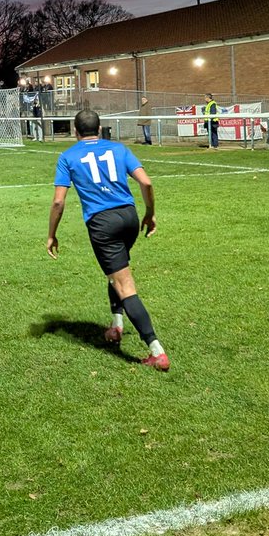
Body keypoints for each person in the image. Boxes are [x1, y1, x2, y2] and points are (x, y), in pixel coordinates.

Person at [46, 109, 169, 371]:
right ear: (100, 129)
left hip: (103, 224)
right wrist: (150, 214)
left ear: (75, 131)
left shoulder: (68, 156)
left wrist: (51, 234)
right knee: (116, 272)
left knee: (124, 284)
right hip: (129, 218)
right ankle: (116, 326)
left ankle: (156, 350)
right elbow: (146, 184)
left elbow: (58, 201)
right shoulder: (119, 149)